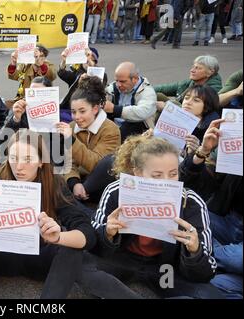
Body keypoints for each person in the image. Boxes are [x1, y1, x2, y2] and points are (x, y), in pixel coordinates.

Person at [0, 129, 96, 298]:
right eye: (13, 158)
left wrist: (58, 237)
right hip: (0, 257)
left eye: (28, 159)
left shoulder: (54, 184)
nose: (19, 167)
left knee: (71, 247)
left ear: (41, 161)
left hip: (39, 259)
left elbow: (87, 233)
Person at [79, 137, 223, 299]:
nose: (166, 182)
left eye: (173, 174)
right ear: (138, 173)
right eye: (157, 175)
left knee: (210, 295)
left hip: (164, 270)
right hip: (122, 262)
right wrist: (107, 233)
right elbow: (92, 243)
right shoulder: (116, 192)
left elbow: (207, 272)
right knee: (79, 265)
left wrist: (194, 251)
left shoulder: (191, 203)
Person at [179, 119, 242, 299]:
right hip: (228, 220)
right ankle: (201, 253)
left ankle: (199, 251)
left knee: (236, 260)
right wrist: (204, 151)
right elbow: (191, 184)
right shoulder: (234, 149)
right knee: (180, 217)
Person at [56, 76, 121, 201]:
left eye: (82, 111)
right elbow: (69, 162)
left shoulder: (110, 129)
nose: (77, 117)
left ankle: (73, 200)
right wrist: (74, 182)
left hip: (101, 183)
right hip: (79, 180)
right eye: (73, 112)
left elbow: (96, 164)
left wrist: (72, 140)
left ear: (95, 109)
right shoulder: (72, 126)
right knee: (53, 153)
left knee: (110, 161)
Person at [103, 61, 157, 141]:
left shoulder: (147, 92)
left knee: (130, 125)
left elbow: (142, 112)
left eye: (122, 81)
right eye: (116, 80)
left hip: (139, 131)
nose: (118, 85)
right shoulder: (113, 87)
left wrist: (115, 109)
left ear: (135, 79)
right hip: (115, 127)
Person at [154, 55, 222, 108]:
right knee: (155, 94)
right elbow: (164, 88)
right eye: (193, 67)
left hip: (191, 120)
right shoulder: (190, 82)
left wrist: (166, 107)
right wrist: (145, 89)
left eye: (198, 68)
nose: (192, 70)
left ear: (210, 72)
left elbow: (193, 111)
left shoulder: (212, 90)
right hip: (180, 112)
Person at [58, 47, 101, 121]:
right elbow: (62, 73)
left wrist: (90, 62)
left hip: (89, 111)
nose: (88, 62)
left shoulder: (101, 75)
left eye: (91, 60)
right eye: (85, 60)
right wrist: (64, 60)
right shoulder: (76, 74)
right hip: (72, 110)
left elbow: (99, 82)